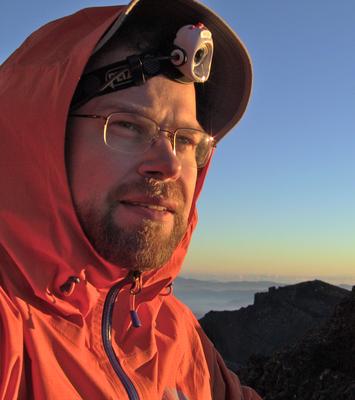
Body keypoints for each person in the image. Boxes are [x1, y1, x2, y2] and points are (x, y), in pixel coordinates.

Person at [0, 0, 261, 399]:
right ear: (40, 137)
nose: (169, 165)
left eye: (187, 140)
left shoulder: (172, 331)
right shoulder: (11, 324)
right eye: (127, 126)